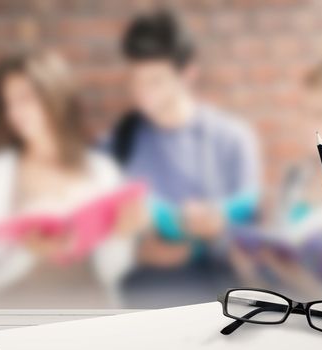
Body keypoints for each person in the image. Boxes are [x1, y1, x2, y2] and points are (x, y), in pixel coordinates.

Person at [110, 10, 262, 307]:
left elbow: (256, 246)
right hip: (142, 300)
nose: (143, 94)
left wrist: (216, 232)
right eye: (136, 80)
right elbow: (99, 243)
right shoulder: (119, 142)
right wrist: (133, 251)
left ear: (188, 72)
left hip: (219, 303)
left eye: (155, 81)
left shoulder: (232, 140)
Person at [0, 50, 138, 308]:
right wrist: (28, 251)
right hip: (15, 323)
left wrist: (120, 234)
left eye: (25, 98)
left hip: (89, 320)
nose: (15, 112)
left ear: (54, 95)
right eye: (8, 103)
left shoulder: (101, 170)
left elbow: (114, 272)